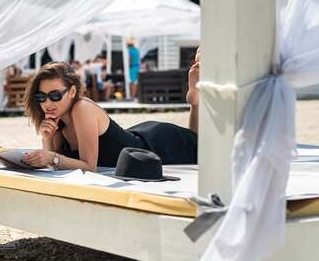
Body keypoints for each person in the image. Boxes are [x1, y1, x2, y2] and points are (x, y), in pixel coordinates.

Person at [21, 50, 200, 172]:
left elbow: (89, 166)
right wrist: (46, 139)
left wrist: (50, 157)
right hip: (133, 141)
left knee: (199, 145)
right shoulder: (56, 120)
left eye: (55, 95)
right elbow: (52, 166)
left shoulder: (82, 108)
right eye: (41, 97)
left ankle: (195, 101)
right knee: (197, 141)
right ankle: (195, 102)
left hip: (154, 146)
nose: (47, 103)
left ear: (72, 92)